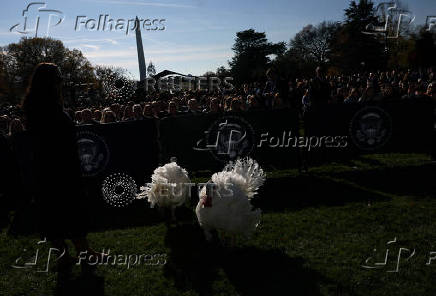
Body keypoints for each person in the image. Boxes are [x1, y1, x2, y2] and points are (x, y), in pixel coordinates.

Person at [21, 63, 99, 272]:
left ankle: (64, 255)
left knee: (51, 212)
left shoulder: (33, 105)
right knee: (72, 210)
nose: (61, 82)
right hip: (61, 168)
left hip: (44, 168)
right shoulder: (50, 108)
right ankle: (84, 253)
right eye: (58, 78)